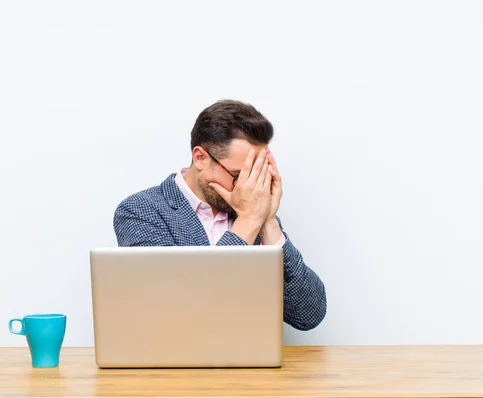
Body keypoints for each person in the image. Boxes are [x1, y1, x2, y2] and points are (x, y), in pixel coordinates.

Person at [113, 100, 327, 331]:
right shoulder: (141, 211)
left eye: (257, 175)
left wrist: (268, 223)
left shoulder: (254, 213)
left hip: (252, 362)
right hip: (174, 362)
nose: (248, 187)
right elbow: (175, 311)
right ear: (201, 158)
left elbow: (309, 314)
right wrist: (248, 222)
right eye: (238, 175)